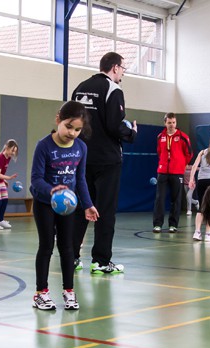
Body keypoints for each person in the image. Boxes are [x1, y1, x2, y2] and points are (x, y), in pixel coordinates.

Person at [71, 52, 137, 274]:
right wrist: (131, 132)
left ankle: (71, 257)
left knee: (81, 208)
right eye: (123, 69)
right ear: (115, 68)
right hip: (107, 160)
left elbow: (70, 121)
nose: (123, 74)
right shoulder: (113, 90)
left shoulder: (79, 87)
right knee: (104, 211)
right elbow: (114, 125)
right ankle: (100, 261)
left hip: (81, 158)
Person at [30, 101, 99, 310]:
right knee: (46, 246)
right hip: (45, 204)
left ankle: (69, 292)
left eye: (78, 129)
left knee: (68, 248)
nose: (73, 133)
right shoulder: (44, 146)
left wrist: (88, 204)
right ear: (58, 119)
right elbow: (36, 180)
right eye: (69, 127)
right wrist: (52, 190)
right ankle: (41, 293)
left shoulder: (81, 148)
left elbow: (80, 180)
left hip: (68, 206)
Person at [152, 112, 192, 234]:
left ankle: (173, 225)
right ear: (165, 123)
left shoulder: (183, 137)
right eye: (169, 123)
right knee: (160, 198)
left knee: (176, 199)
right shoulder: (160, 137)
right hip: (163, 172)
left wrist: (181, 164)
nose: (172, 125)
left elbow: (189, 153)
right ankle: (157, 224)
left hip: (177, 172)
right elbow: (160, 152)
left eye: (173, 122)